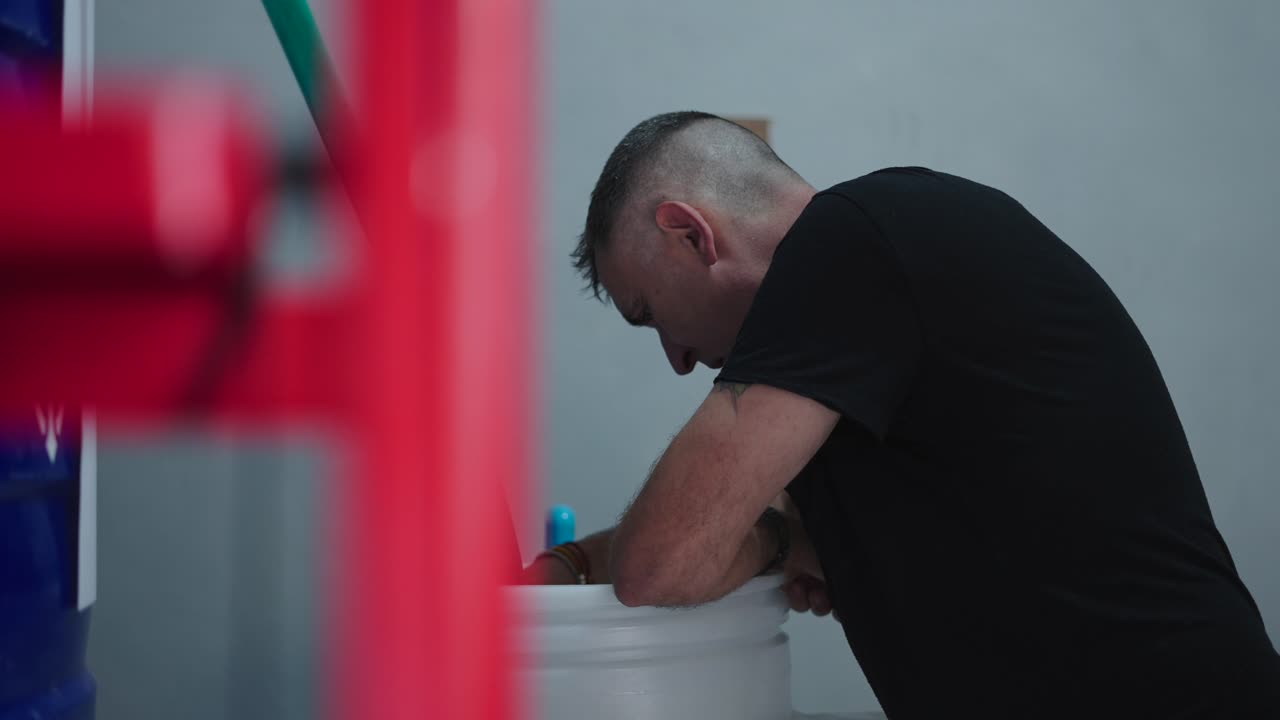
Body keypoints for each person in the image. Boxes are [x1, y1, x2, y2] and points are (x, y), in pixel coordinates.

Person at [526, 111, 1280, 717]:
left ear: (691, 233)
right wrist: (567, 564)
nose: (677, 359)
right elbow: (709, 528)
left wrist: (781, 535)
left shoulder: (851, 242)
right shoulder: (858, 324)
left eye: (649, 312)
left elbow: (664, 561)